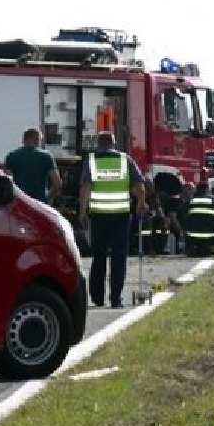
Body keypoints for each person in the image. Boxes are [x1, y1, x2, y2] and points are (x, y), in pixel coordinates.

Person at [79, 132, 147, 308]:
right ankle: (116, 298)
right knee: (118, 258)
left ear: (99, 143)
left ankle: (97, 297)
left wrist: (82, 212)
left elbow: (85, 187)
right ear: (114, 143)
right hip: (120, 216)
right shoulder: (125, 160)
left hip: (99, 215)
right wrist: (140, 202)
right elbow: (139, 186)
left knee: (98, 257)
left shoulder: (92, 160)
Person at [4, 127, 62, 205]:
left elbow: (7, 183)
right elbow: (57, 183)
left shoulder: (11, 156)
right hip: (40, 202)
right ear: (37, 140)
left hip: (20, 202)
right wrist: (48, 198)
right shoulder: (47, 156)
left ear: (23, 139)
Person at [183, 182, 214, 256]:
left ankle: (190, 248)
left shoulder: (190, 202)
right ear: (207, 191)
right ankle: (212, 248)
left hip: (192, 235)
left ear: (196, 191)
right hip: (211, 236)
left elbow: (183, 217)